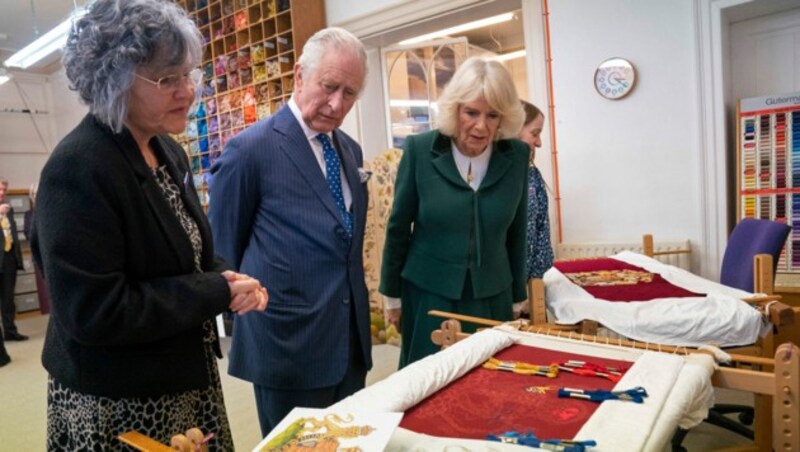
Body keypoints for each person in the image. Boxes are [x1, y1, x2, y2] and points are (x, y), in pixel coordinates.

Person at [31, 1, 267, 449]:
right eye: (167, 79)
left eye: (188, 74)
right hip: (118, 400)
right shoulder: (78, 168)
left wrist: (225, 277)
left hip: (179, 379)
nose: (188, 91)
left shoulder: (166, 150)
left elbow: (184, 249)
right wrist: (213, 292)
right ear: (114, 80)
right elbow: (95, 312)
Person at [208, 27, 373, 436]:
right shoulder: (251, 150)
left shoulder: (349, 150)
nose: (337, 104)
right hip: (286, 344)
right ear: (299, 76)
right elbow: (222, 252)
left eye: (349, 93)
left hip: (348, 342)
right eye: (329, 86)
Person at [380, 57, 529, 368]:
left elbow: (516, 232)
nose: (481, 126)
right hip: (428, 293)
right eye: (471, 113)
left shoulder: (516, 156)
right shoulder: (421, 150)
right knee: (428, 380)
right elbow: (398, 228)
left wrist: (518, 295)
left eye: (492, 115)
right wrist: (392, 296)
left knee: (487, 381)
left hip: (492, 293)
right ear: (455, 110)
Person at [519, 101, 554, 284]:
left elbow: (542, 231)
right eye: (535, 133)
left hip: (528, 288)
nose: (539, 143)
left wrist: (535, 283)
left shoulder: (532, 176)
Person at [0, 178, 27, 349]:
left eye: (4, 190)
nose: (2, 193)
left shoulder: (8, 209)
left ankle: (10, 331)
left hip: (8, 258)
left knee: (8, 298)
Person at [24, 183, 50, 314]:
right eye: (34, 194)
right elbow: (29, 233)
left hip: (52, 255)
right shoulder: (29, 214)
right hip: (40, 255)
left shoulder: (50, 210)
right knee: (44, 293)